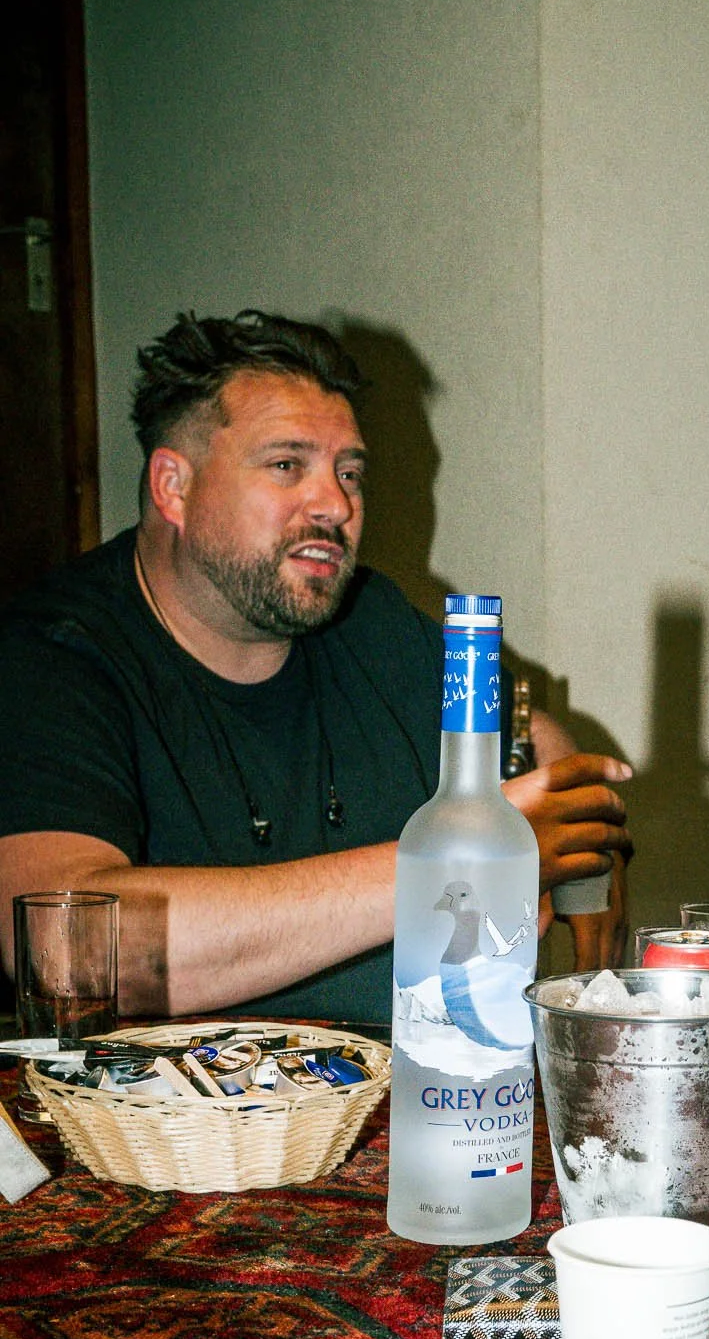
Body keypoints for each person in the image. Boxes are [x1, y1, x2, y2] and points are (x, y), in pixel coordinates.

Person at [0, 310, 632, 1024]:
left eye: (349, 472)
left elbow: (532, 743)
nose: (336, 504)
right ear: (173, 486)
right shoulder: (52, 654)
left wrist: (585, 897)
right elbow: (65, 950)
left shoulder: (368, 618)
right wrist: (446, 872)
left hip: (412, 1103)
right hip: (176, 1125)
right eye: (286, 465)